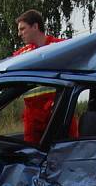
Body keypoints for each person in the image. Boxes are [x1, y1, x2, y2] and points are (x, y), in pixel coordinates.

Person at [12, 10, 71, 144]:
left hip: (59, 112)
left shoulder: (61, 47)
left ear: (35, 26)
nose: (19, 34)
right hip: (33, 118)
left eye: (22, 29)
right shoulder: (21, 55)